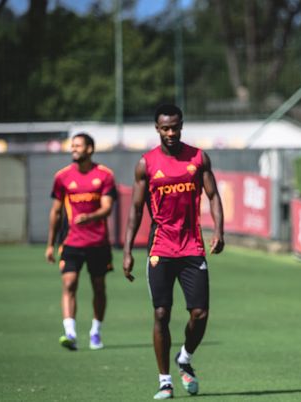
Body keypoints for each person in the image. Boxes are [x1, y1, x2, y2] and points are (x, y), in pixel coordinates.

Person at [122, 104, 225, 400]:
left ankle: (185, 356)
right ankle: (165, 380)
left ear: (181, 126)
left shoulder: (198, 157)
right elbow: (136, 210)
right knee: (161, 312)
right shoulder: (146, 164)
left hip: (192, 245)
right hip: (161, 247)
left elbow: (213, 195)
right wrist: (128, 250)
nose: (170, 132)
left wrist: (218, 230)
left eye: (175, 127)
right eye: (165, 128)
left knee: (200, 313)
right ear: (157, 129)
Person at [45, 133, 116, 351]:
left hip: (98, 243)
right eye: (72, 145)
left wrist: (91, 217)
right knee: (69, 284)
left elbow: (107, 208)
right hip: (71, 242)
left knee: (98, 287)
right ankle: (70, 333)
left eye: (78, 146)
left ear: (90, 149)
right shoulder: (62, 177)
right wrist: (50, 244)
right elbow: (56, 212)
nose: (73, 149)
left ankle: (95, 331)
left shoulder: (104, 175)